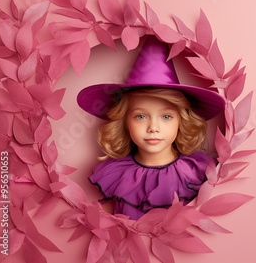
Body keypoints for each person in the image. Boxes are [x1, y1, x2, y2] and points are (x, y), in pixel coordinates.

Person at [77, 36, 225, 220]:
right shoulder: (118, 174)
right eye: (140, 116)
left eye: (166, 117)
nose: (153, 127)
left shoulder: (199, 171)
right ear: (125, 122)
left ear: (182, 121)